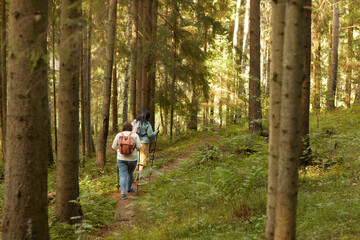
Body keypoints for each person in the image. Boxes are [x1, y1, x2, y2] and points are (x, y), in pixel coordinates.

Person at [112, 121, 142, 200]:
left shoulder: (119, 135)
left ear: (123, 127)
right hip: (133, 158)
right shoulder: (135, 135)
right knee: (130, 173)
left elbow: (113, 146)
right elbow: (139, 147)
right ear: (131, 128)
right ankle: (129, 189)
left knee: (123, 175)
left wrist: (119, 150)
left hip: (121, 158)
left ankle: (123, 194)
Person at [132, 109, 159, 182]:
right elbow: (150, 135)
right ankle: (140, 178)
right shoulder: (147, 123)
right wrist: (156, 132)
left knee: (136, 161)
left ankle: (132, 176)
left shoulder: (135, 122)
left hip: (135, 143)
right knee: (142, 161)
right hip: (144, 143)